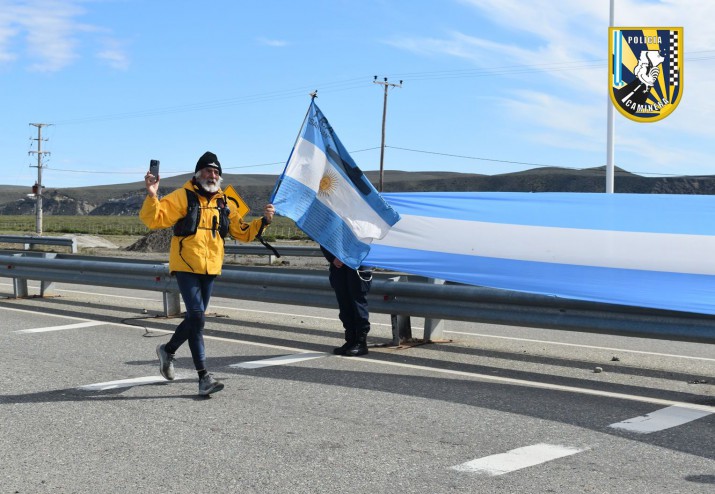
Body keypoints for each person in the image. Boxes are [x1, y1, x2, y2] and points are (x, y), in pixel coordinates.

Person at [140, 151, 275, 396]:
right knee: (197, 316)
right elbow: (154, 219)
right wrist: (152, 195)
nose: (212, 175)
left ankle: (168, 350)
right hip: (185, 264)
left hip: (211, 266)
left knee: (195, 318)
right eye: (207, 171)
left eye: (216, 172)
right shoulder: (182, 196)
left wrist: (263, 221)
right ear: (198, 173)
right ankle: (204, 377)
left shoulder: (227, 201)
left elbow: (242, 232)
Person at [320, 246, 373, 357]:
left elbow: (366, 239)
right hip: (338, 265)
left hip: (357, 263)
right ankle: (350, 341)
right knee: (344, 305)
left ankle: (361, 343)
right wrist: (333, 258)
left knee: (357, 304)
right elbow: (325, 239)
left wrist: (345, 257)